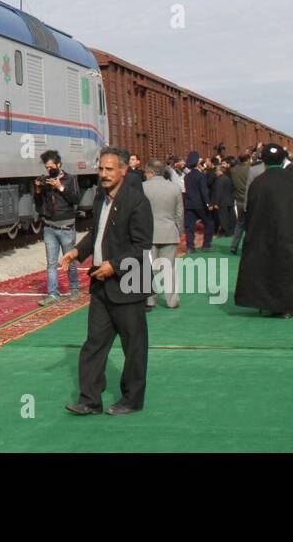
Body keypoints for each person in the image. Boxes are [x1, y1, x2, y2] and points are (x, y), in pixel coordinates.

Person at [59, 147, 153, 416]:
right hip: (100, 284)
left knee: (133, 347)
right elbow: (96, 235)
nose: (103, 174)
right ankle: (89, 399)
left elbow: (142, 246)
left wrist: (113, 266)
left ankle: (132, 399)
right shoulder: (100, 198)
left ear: (124, 170)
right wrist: (77, 251)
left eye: (109, 169)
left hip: (128, 283)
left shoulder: (137, 202)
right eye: (101, 169)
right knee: (94, 344)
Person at [234, 145, 293, 318]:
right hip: (291, 233)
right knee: (288, 270)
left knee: (266, 269)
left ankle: (267, 303)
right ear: (283, 159)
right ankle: (288, 305)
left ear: (264, 161)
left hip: (264, 236)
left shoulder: (258, 182)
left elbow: (251, 210)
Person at [34, 149, 81, 306]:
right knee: (51, 263)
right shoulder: (46, 181)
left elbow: (75, 199)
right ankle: (53, 294)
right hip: (49, 227)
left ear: (59, 165)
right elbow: (39, 205)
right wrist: (39, 189)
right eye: (46, 167)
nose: (49, 170)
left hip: (66, 227)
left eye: (51, 167)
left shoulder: (69, 179)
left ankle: (74, 288)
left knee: (69, 260)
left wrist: (61, 187)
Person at [143, 159, 184, 310]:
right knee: (170, 268)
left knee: (150, 268)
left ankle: (150, 300)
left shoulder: (142, 188)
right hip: (169, 231)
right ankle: (172, 300)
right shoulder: (174, 188)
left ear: (151, 172)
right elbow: (179, 214)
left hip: (148, 233)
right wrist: (178, 232)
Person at [183, 151, 213, 251]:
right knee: (209, 223)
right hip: (200, 204)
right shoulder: (201, 176)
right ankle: (206, 245)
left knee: (189, 227)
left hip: (189, 204)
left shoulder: (187, 176)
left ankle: (190, 247)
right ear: (197, 163)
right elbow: (204, 191)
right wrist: (208, 203)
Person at [211, 160, 236, 238]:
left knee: (223, 218)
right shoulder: (227, 178)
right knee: (230, 217)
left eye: (216, 171)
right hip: (229, 200)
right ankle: (231, 231)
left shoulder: (219, 180)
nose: (215, 173)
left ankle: (226, 231)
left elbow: (218, 192)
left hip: (222, 202)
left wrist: (216, 203)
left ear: (220, 171)